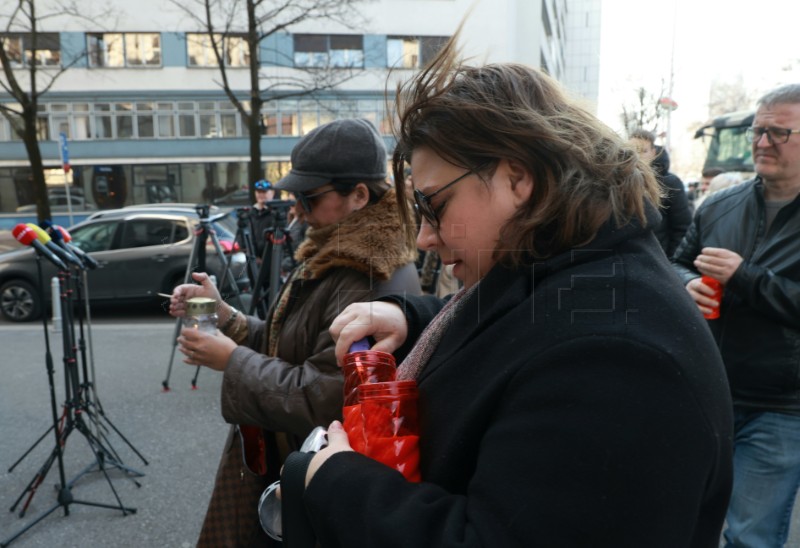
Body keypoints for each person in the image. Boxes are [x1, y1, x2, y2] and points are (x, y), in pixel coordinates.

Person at [279, 36, 734, 547]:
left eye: (434, 205)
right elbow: (519, 326)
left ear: (518, 178)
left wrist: (339, 483)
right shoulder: (577, 274)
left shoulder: (617, 359)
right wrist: (413, 315)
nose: (425, 237)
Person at [168, 117, 421, 547]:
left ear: (359, 195)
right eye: (294, 195)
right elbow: (293, 346)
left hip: (318, 473)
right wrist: (226, 315)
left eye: (308, 195)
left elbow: (322, 397)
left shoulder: (367, 275)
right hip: (296, 463)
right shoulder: (332, 251)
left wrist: (230, 359)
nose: (298, 209)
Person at [672, 83, 800, 548]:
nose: (762, 142)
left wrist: (747, 277)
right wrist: (684, 285)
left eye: (779, 133)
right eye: (757, 130)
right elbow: (673, 261)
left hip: (782, 408)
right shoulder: (721, 204)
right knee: (682, 520)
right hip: (707, 391)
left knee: (750, 537)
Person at [628, 129, 692, 257]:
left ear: (653, 152)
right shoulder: (617, 180)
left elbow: (682, 227)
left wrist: (672, 261)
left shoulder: (670, 182)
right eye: (632, 150)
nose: (637, 155)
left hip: (659, 258)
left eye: (643, 151)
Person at [249, 179, 276, 263]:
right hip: (253, 261)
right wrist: (253, 256)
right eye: (258, 192)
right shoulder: (250, 213)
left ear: (272, 193)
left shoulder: (276, 213)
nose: (260, 195)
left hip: (271, 261)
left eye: (264, 192)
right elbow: (243, 237)